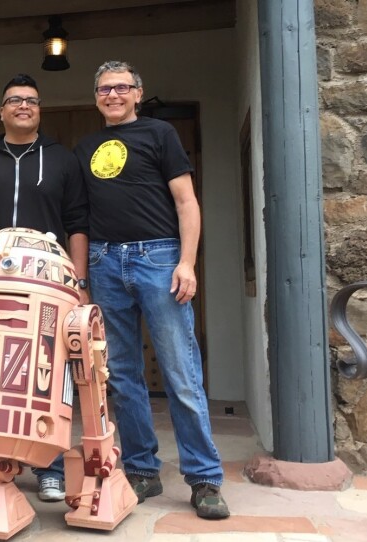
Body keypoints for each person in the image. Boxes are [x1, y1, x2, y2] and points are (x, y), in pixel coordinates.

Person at [73, 61, 230, 519]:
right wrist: (82, 278)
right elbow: (79, 219)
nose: (113, 95)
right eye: (104, 89)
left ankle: (204, 478)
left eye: (122, 87)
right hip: (104, 261)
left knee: (181, 374)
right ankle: (142, 469)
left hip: (158, 257)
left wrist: (187, 262)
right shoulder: (85, 147)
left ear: (138, 93)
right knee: (121, 377)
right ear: (96, 96)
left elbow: (186, 201)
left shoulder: (160, 134)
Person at [0, 74, 89, 503]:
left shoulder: (62, 160)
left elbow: (77, 224)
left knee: (47, 376)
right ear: (1, 111)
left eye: (31, 101)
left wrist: (81, 283)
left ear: (39, 110)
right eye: (14, 100)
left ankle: (49, 466)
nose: (23, 106)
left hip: (48, 284)